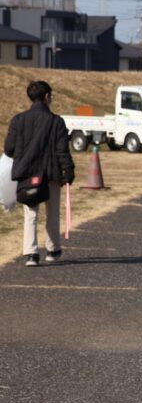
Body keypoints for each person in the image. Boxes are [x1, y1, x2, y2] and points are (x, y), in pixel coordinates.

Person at [3, 80, 75, 267]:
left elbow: (9, 149)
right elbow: (62, 151)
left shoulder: (18, 120)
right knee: (52, 212)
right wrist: (68, 170)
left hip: (27, 174)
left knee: (30, 213)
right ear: (46, 97)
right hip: (50, 173)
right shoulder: (56, 121)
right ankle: (52, 249)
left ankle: (31, 253)